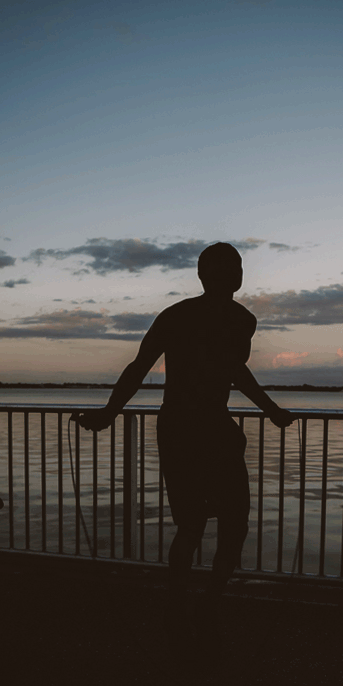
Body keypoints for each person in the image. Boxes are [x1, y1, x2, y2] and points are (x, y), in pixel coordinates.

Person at [75, 242, 294, 621]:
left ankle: (198, 605)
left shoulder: (233, 320)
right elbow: (141, 367)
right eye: (230, 267)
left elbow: (230, 372)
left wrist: (271, 410)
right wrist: (109, 412)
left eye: (238, 266)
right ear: (207, 275)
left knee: (221, 524)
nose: (236, 273)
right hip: (190, 428)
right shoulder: (197, 318)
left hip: (201, 428)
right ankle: (189, 605)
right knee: (205, 525)